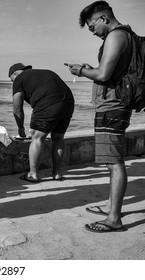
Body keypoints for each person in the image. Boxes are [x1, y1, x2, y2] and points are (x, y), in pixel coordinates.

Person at [65, 1, 132, 233]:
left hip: (113, 106)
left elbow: (103, 75)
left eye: (92, 26)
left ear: (103, 18)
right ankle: (111, 206)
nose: (92, 32)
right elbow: (107, 71)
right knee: (110, 160)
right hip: (112, 105)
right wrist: (89, 68)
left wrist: (80, 71)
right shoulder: (121, 36)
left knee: (114, 162)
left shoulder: (116, 36)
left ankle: (114, 218)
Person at [9, 63, 74, 182]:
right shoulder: (44, 72)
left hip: (48, 102)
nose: (12, 82)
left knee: (37, 138)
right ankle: (57, 173)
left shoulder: (19, 78)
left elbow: (17, 108)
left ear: (15, 73)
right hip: (68, 102)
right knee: (58, 138)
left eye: (11, 79)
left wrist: (20, 129)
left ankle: (32, 174)